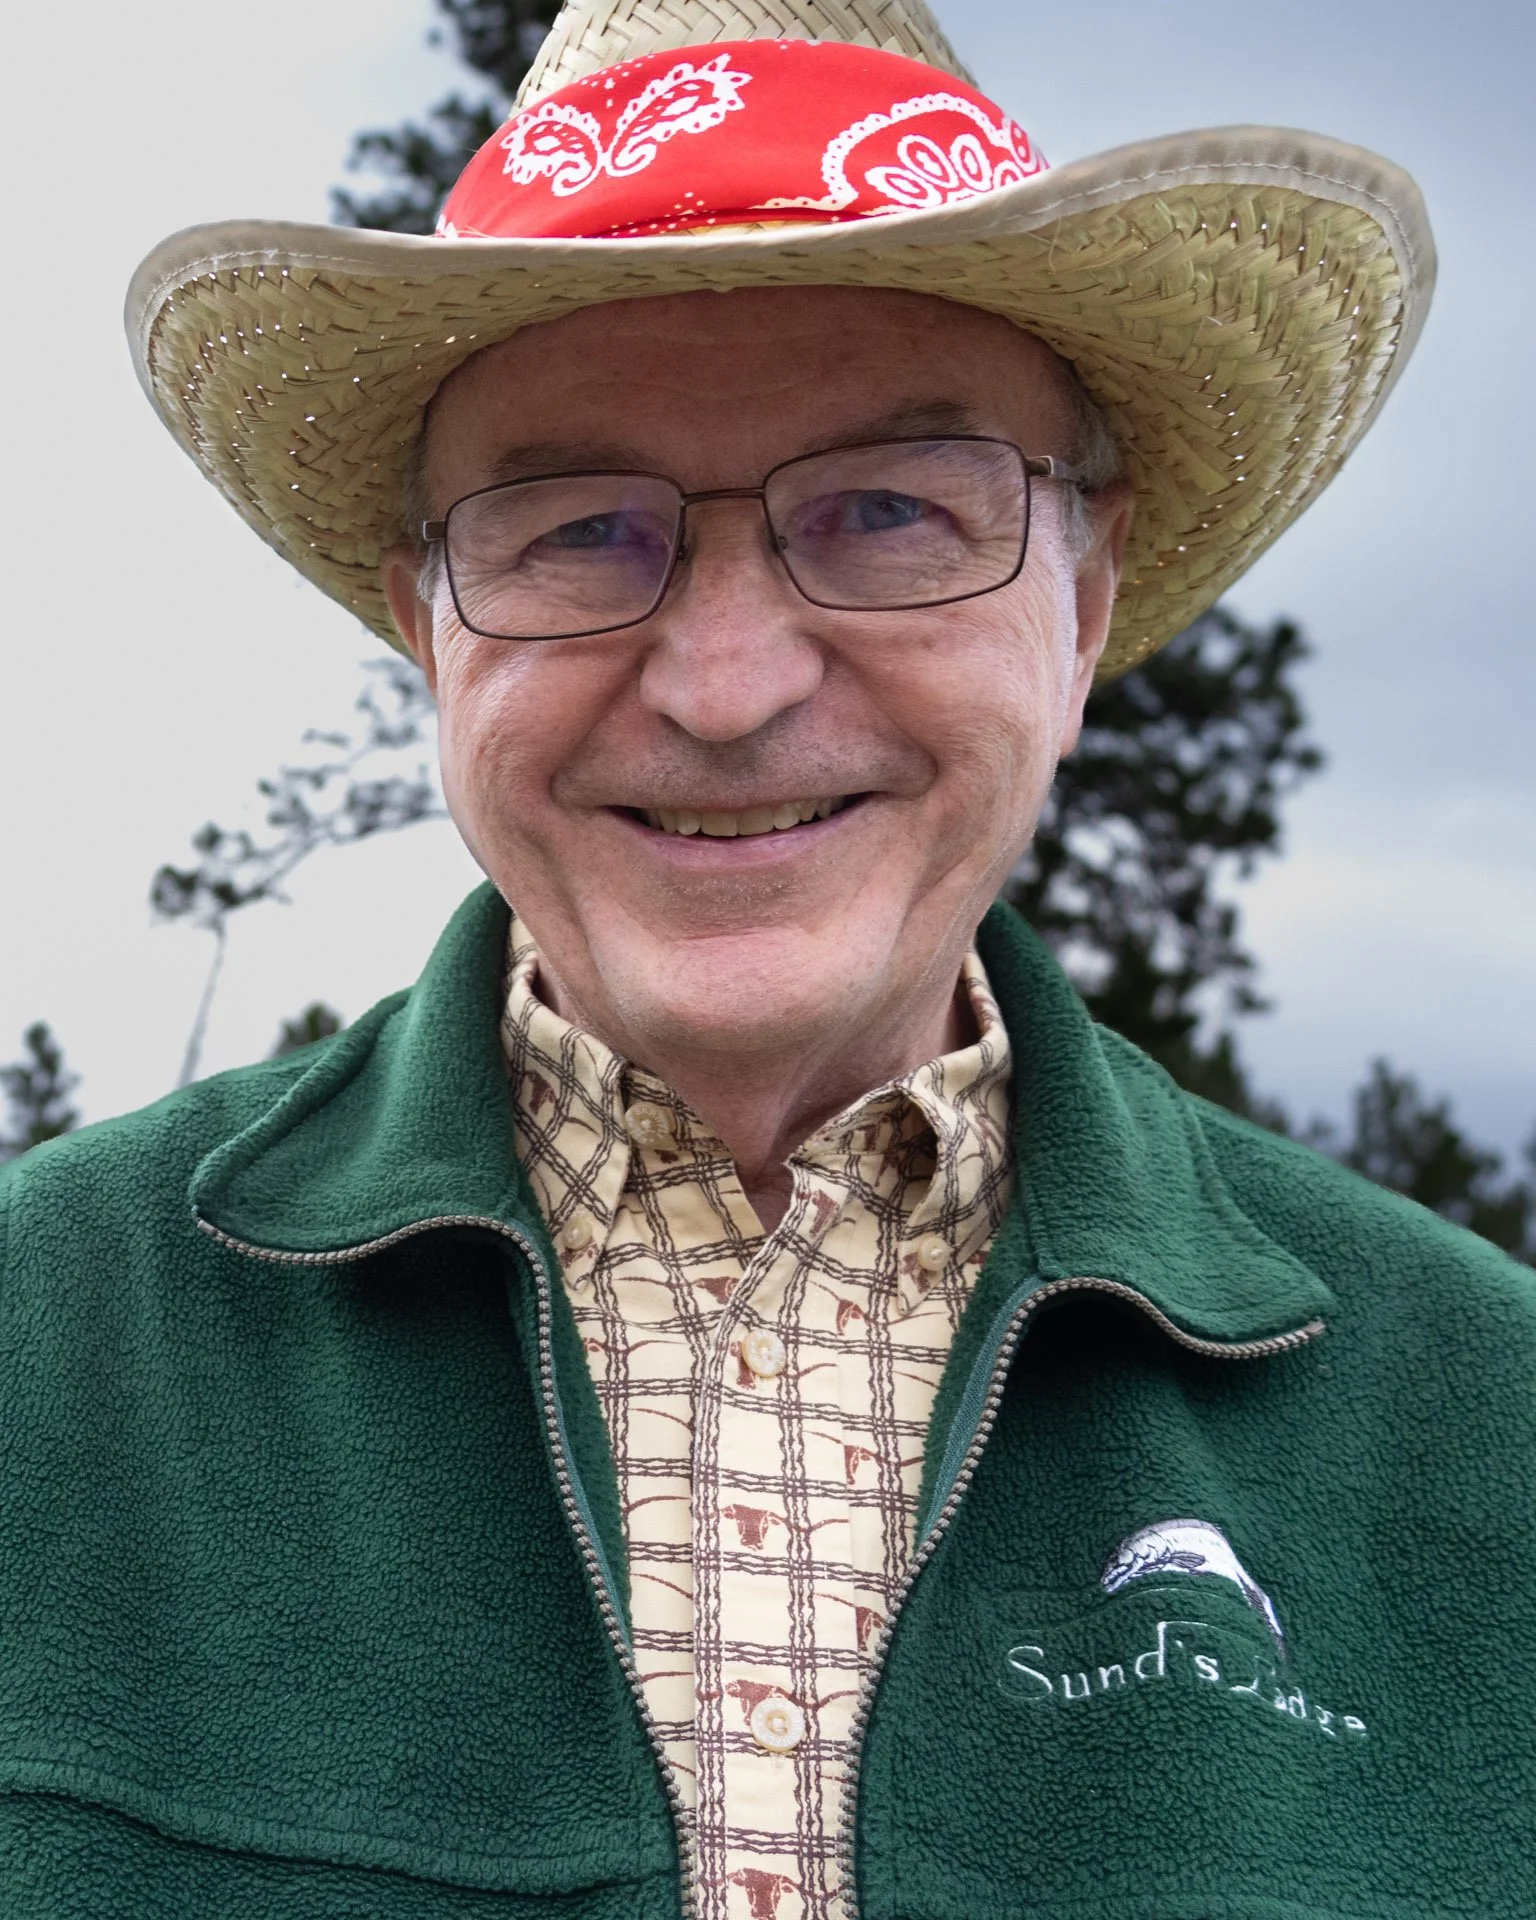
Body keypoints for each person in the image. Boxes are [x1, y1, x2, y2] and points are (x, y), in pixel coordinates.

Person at [3, 0, 1531, 1913]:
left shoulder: (1489, 1425)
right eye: (576, 530)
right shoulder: (36, 1338)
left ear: (1083, 605)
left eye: (889, 511)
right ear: (430, 630)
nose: (725, 686)